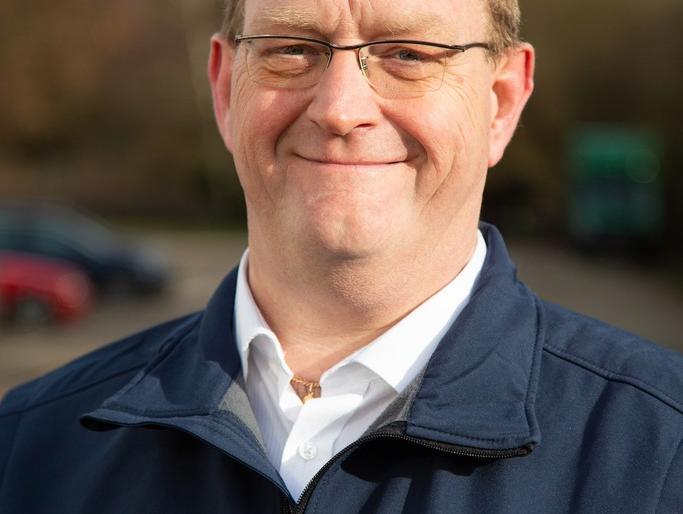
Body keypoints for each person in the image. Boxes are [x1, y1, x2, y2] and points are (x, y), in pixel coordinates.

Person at [1, 0, 681, 512]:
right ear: (226, 88)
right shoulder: (28, 450)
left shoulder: (660, 453)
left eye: (408, 54)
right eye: (292, 49)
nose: (339, 108)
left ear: (500, 103)